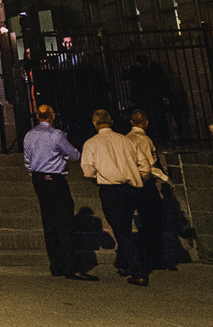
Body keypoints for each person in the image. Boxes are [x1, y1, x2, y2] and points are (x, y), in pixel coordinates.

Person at [79, 109, 153, 286]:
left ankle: (137, 270)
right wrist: (137, 178)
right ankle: (123, 262)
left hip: (110, 189)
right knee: (125, 226)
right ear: (110, 121)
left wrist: (101, 175)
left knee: (120, 230)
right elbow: (145, 166)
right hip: (130, 187)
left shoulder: (91, 143)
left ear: (94, 123)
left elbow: (87, 170)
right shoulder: (125, 140)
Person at [22, 105, 90, 281]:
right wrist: (63, 158)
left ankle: (56, 264)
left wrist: (35, 172)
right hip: (55, 178)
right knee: (64, 221)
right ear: (52, 116)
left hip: (38, 178)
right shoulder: (57, 135)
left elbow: (27, 160)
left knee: (48, 220)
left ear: (38, 116)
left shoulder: (29, 135)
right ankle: (70, 266)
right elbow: (74, 154)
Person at [126, 109, 176, 271]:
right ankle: (155, 258)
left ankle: (139, 257)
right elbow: (149, 166)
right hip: (145, 183)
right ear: (146, 122)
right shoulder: (145, 140)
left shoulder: (126, 139)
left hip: (129, 183)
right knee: (152, 221)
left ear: (131, 122)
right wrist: (166, 178)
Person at [120, 55, 176, 142]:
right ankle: (162, 137)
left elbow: (123, 77)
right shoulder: (153, 70)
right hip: (155, 98)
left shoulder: (136, 71)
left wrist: (126, 68)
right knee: (158, 118)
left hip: (142, 99)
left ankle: (151, 136)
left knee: (146, 117)